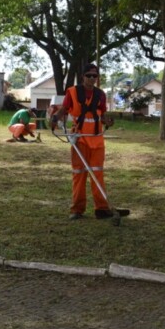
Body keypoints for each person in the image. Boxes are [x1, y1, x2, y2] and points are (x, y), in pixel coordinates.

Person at [55, 63, 129, 221]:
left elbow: (102, 115)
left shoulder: (101, 94)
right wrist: (55, 118)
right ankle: (77, 210)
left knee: (98, 174)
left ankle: (101, 209)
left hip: (97, 141)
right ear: (83, 76)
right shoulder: (72, 92)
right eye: (89, 75)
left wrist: (107, 121)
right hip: (79, 139)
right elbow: (64, 109)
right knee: (79, 175)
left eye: (95, 76)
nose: (92, 79)